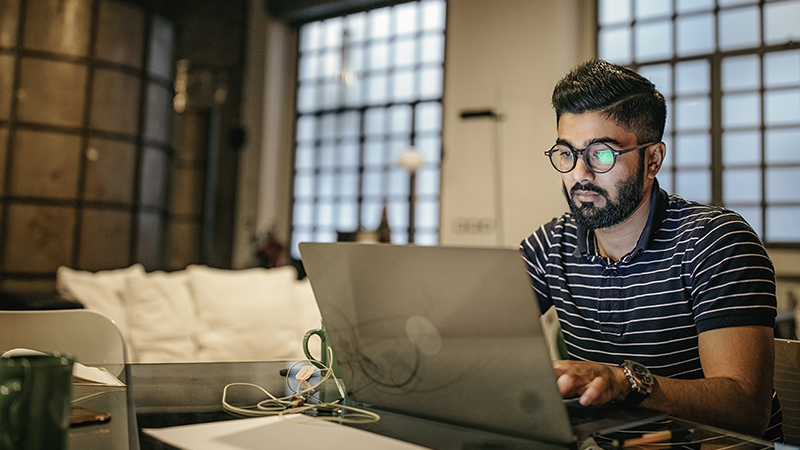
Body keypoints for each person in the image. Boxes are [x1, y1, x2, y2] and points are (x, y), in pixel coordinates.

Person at [520, 59, 783, 441]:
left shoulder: (715, 242)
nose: (580, 174)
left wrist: (624, 382)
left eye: (601, 154)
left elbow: (746, 409)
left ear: (653, 160)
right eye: (567, 153)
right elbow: (470, 333)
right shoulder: (551, 245)